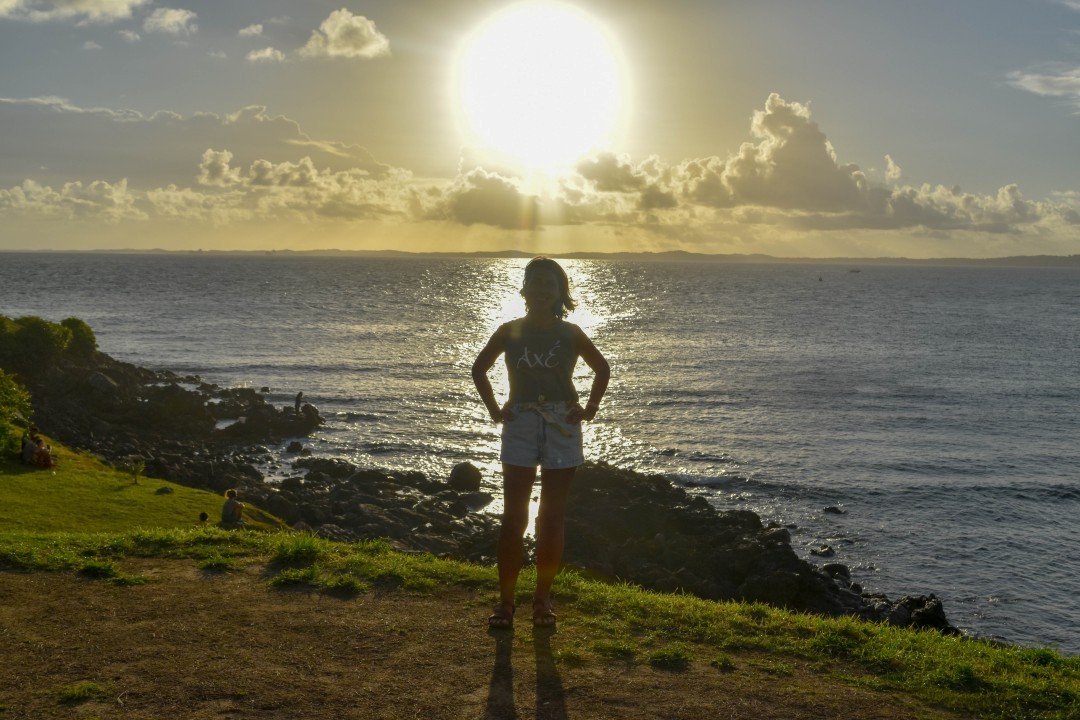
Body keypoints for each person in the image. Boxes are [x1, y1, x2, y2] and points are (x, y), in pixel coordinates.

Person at [472, 257, 610, 629]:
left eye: (550, 284)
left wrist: (590, 408)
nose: (542, 290)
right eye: (536, 282)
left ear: (560, 292)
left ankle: (542, 600)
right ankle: (505, 602)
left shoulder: (571, 333)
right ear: (525, 289)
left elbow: (602, 369)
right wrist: (495, 410)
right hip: (520, 421)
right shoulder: (509, 330)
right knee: (514, 516)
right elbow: (478, 369)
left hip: (562, 424)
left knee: (551, 517)